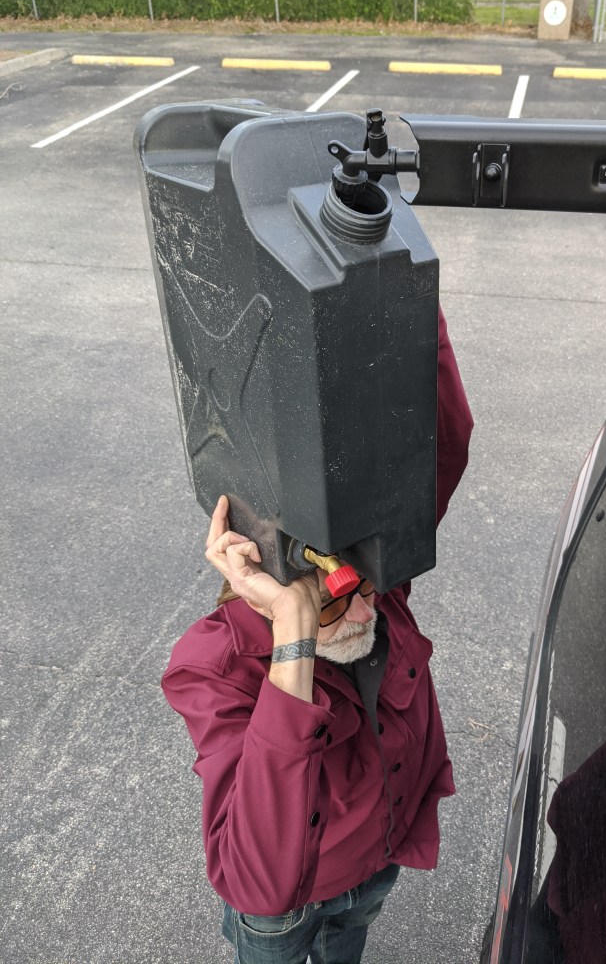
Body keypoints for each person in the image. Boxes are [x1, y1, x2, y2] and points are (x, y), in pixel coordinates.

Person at [162, 307, 473, 964]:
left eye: (364, 584)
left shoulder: (367, 590)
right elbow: (256, 879)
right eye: (331, 604)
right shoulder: (212, 666)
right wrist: (298, 634)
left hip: (373, 870)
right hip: (286, 908)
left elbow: (440, 450)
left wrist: (398, 297)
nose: (369, 610)